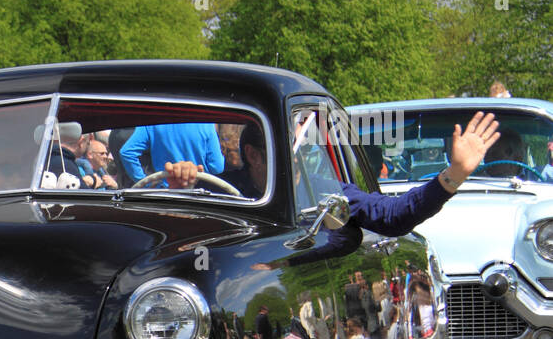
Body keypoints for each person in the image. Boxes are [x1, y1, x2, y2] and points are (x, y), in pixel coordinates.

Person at [164, 111, 502, 236]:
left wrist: (453, 175)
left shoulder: (322, 191)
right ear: (253, 154)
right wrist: (180, 190)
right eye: (289, 145)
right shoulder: (222, 189)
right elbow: (183, 237)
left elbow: (394, 215)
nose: (298, 154)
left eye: (301, 145)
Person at [121, 122, 224, 183]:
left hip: (167, 193)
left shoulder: (151, 123)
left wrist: (145, 182)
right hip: (199, 191)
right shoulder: (206, 123)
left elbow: (127, 152)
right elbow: (217, 167)